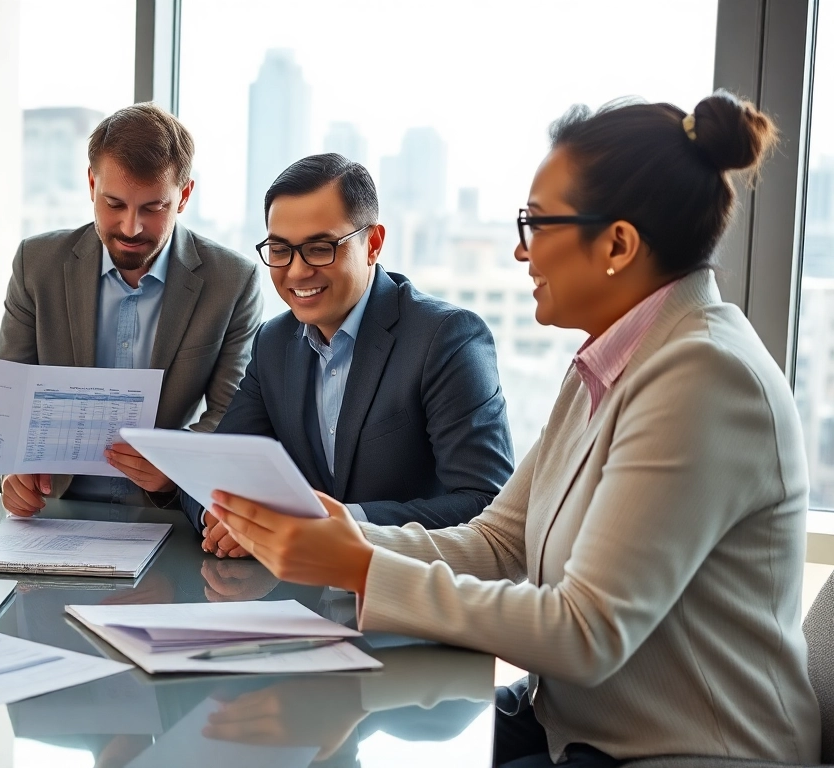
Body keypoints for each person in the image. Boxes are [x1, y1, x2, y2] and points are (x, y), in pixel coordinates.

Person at [210, 92, 821, 767]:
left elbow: (585, 632)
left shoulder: (705, 377)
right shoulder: (613, 360)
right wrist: (344, 538)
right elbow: (501, 541)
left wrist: (358, 564)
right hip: (571, 726)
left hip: (683, 753)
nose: (520, 250)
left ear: (617, 242)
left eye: (536, 225)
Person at [185, 153, 514, 557]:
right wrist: (219, 517)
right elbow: (217, 470)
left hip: (410, 594)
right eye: (280, 249)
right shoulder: (274, 342)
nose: (297, 271)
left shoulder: (445, 338)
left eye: (320, 248)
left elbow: (485, 502)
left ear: (372, 243)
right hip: (298, 597)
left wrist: (332, 526)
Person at [0, 102, 262, 515]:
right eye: (114, 203)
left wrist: (176, 468)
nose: (131, 228)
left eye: (153, 208)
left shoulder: (232, 282)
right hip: (52, 514)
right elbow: (8, 397)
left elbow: (231, 416)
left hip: (165, 518)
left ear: (184, 195)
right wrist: (10, 473)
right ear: (90, 184)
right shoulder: (37, 264)